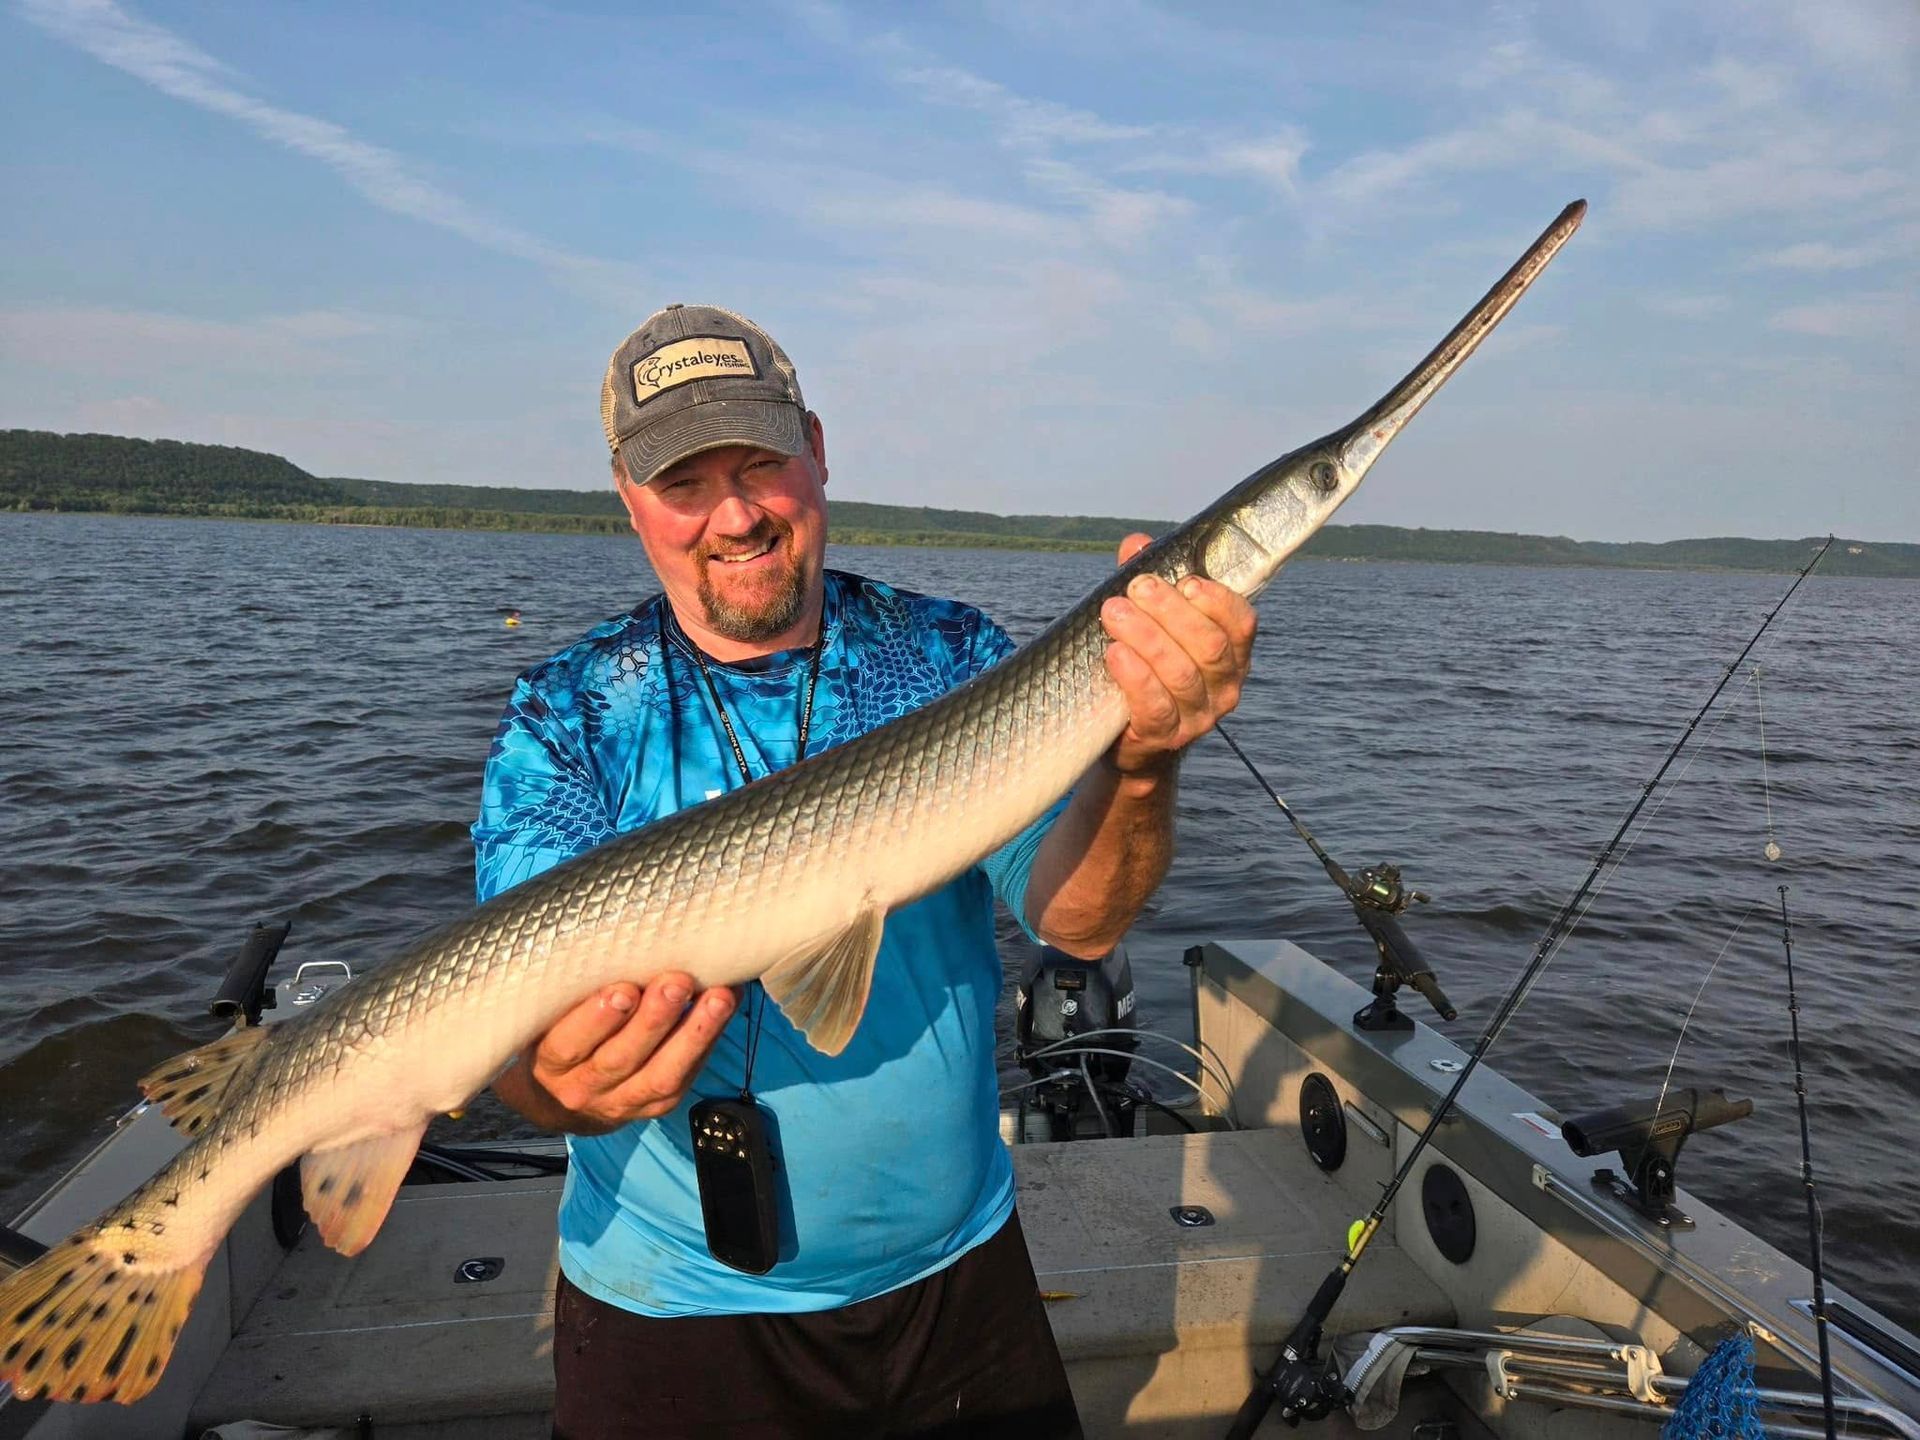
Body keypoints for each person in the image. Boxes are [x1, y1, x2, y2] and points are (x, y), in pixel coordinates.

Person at [472, 304, 1256, 1439]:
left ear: (819, 452)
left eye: (761, 465)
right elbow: (511, 1050)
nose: (735, 515)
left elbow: (1076, 923)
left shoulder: (950, 659)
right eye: (686, 482)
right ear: (629, 498)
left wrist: (1141, 770)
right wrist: (558, 1090)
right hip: (670, 1308)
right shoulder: (569, 718)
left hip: (957, 1285)